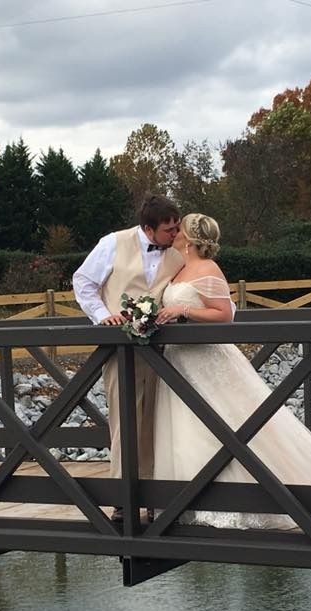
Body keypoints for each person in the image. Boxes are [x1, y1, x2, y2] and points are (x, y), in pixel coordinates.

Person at [152, 213, 311, 530]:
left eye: (180, 228)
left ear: (189, 237)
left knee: (230, 424)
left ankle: (246, 497)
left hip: (205, 360)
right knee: (187, 427)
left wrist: (183, 309)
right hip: (179, 360)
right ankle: (191, 500)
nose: (175, 233)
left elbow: (224, 315)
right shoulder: (179, 267)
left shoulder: (208, 269)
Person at [72, 194, 185, 521]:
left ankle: (156, 494)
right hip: (121, 349)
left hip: (164, 351)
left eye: (177, 227)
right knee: (126, 419)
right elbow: (83, 281)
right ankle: (124, 497)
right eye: (169, 230)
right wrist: (103, 315)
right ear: (149, 229)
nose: (174, 234)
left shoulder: (177, 256)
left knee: (161, 419)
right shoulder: (113, 243)